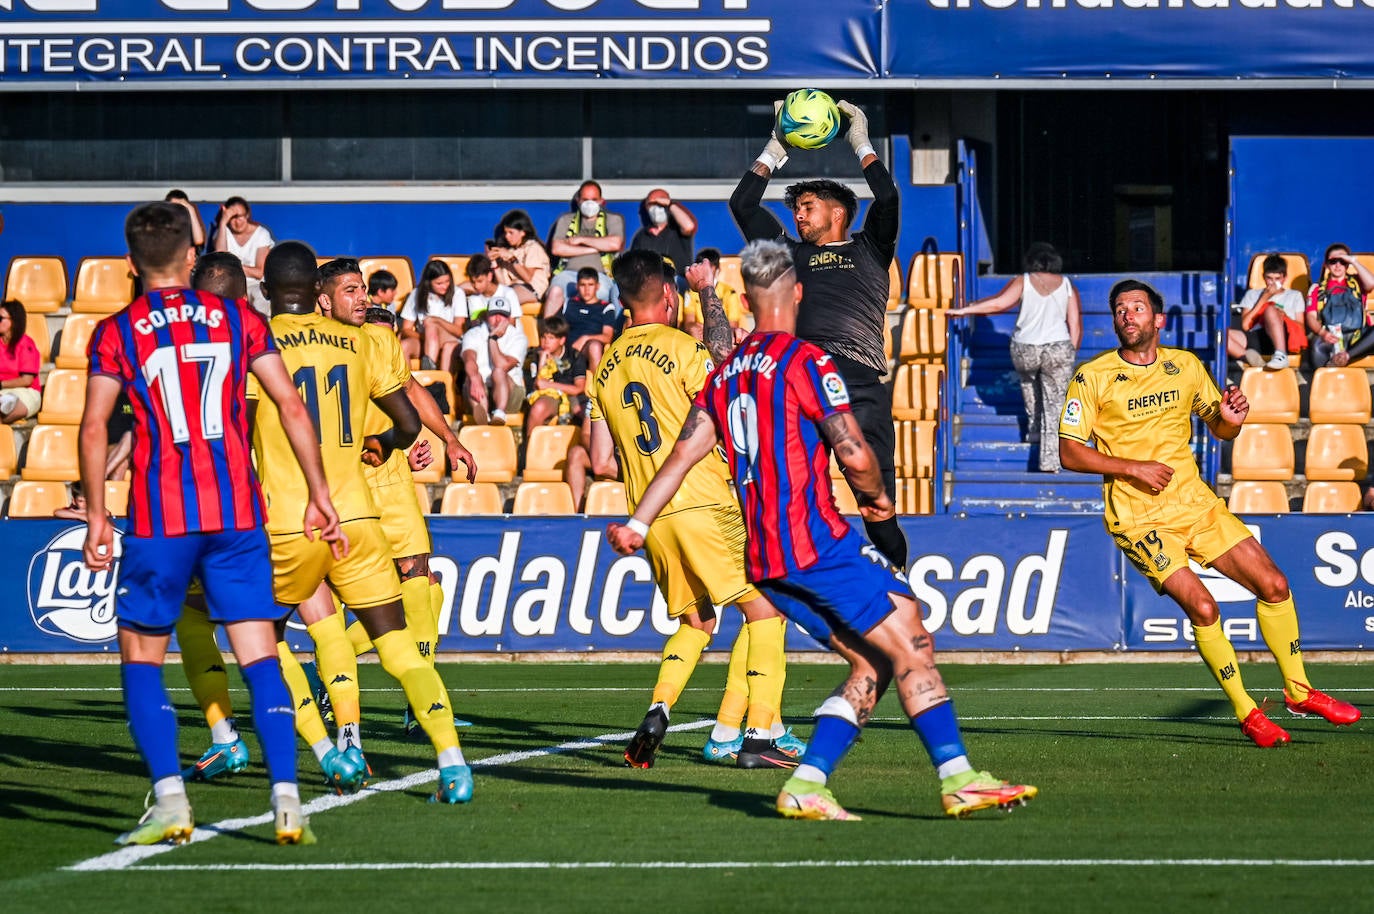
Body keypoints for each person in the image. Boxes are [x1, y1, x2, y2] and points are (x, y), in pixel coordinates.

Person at [607, 240, 1034, 817]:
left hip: (764, 555)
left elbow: (680, 455)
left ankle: (807, 782)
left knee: (874, 660)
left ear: (751, 300)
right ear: (798, 294)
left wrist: (636, 524)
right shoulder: (807, 362)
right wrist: (879, 502)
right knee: (911, 637)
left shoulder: (727, 373)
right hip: (814, 542)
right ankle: (958, 778)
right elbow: (853, 451)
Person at [79, 201, 343, 846]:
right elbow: (290, 405)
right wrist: (318, 492)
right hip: (234, 512)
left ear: (130, 262)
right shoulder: (238, 317)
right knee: (260, 653)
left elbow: (92, 428)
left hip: (160, 516)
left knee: (142, 655)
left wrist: (94, 515)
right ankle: (287, 798)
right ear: (191, 256)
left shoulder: (116, 331)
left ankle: (171, 798)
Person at [1059, 279, 1361, 747]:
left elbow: (1219, 427)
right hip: (1140, 517)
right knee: (1204, 607)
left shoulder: (1185, 366)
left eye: (1137, 308)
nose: (1128, 316)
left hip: (1196, 504)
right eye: (1120, 310)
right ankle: (1247, 712)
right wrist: (1131, 467)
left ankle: (1299, 691)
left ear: (1158, 320)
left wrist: (1233, 420)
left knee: (1275, 584)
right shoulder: (1092, 376)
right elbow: (1070, 452)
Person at [249, 241, 473, 804]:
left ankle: (333, 749)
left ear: (269, 290)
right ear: (316, 291)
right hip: (358, 518)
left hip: (291, 522)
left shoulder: (254, 342)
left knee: (264, 641)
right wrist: (380, 443)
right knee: (398, 649)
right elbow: (404, 422)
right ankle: (452, 763)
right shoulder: (362, 341)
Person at [592, 249, 805, 771]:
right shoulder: (683, 348)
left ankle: (659, 707)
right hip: (703, 499)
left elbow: (600, 460)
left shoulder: (604, 370)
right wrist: (710, 291)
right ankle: (758, 736)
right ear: (669, 295)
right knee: (767, 608)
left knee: (697, 620)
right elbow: (726, 363)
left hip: (649, 511)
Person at [730, 99, 907, 568]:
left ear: (839, 212)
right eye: (797, 211)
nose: (799, 218)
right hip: (800, 380)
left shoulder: (871, 246)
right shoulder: (787, 254)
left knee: (876, 505)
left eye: (808, 208)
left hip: (859, 383)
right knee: (789, 499)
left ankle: (898, 580)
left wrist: (860, 143)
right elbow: (743, 204)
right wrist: (776, 146)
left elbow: (887, 200)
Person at [945, 242, 1082, 472]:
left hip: (1026, 349)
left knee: (1029, 384)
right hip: (1058, 348)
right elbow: (1075, 325)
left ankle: (1034, 432)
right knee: (1054, 402)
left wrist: (963, 310)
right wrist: (1070, 354)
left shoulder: (1024, 280)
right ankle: (1050, 461)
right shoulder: (1067, 284)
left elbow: (1000, 303)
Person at [544, 180, 624, 318]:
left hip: (600, 277)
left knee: (601, 295)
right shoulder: (566, 220)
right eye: (585, 199)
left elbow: (614, 244)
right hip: (568, 275)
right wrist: (595, 248)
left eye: (594, 199)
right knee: (555, 292)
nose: (589, 203)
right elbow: (557, 248)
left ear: (601, 201)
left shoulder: (613, 219)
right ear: (578, 200)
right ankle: (548, 335)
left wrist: (581, 240)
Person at [1225, 253, 1306, 371]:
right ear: (1264, 277)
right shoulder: (1252, 294)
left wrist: (1283, 316)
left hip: (1282, 337)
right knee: (1222, 335)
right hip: (1256, 336)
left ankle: (1281, 354)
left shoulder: (1294, 296)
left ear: (1284, 278)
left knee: (1270, 310)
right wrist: (1263, 299)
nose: (1273, 283)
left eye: (1277, 279)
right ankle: (1254, 361)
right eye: (1269, 278)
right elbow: (1246, 325)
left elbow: (1301, 327)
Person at [459, 296, 528, 427]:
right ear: (486, 316)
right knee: (471, 376)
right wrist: (474, 377)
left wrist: (493, 339)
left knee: (498, 372)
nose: (498, 319)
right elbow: (469, 358)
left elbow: (502, 365)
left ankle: (499, 413)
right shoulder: (473, 334)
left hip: (510, 390)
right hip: (481, 387)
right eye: (494, 315)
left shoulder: (518, 337)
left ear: (508, 318)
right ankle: (482, 414)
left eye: (502, 315)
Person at [1307, 244, 1374, 368]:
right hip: (1331, 338)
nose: (1338, 265)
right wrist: (1323, 333)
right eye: (1333, 261)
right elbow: (1311, 317)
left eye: (1342, 261)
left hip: (1357, 338)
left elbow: (1371, 283)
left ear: (1347, 264)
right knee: (1316, 345)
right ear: (1326, 264)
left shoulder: (1359, 282)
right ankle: (1325, 378)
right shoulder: (1317, 288)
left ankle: (1345, 357)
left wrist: (1354, 261)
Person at [399, 259, 467, 372]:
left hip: (450, 338)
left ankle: (430, 375)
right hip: (425, 339)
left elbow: (459, 331)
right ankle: (408, 386)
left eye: (447, 281)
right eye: (439, 283)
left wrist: (437, 321)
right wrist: (429, 338)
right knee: (403, 346)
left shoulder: (458, 293)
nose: (445, 286)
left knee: (431, 324)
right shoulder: (416, 294)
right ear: (429, 282)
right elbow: (406, 329)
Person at [211, 196, 274, 314]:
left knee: (261, 299)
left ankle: (266, 330)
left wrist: (231, 267)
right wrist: (223, 221)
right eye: (232, 217)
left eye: (241, 216)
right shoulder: (223, 233)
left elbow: (259, 272)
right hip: (229, 283)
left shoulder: (261, 234)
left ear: (247, 215)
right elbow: (221, 256)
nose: (238, 221)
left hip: (254, 284)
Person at [525, 315, 588, 432]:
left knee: (590, 414)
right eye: (543, 337)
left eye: (551, 338)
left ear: (562, 340)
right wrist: (542, 362)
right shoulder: (535, 355)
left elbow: (578, 388)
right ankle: (530, 448)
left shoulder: (574, 356)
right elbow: (537, 385)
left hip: (572, 396)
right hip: (549, 396)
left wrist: (550, 385)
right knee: (538, 408)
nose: (546, 342)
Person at [629, 188, 697, 286]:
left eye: (660, 204)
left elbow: (689, 226)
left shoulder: (677, 229)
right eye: (651, 204)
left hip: (678, 280)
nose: (656, 208)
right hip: (650, 282)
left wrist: (670, 204)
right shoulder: (641, 236)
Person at [487, 209, 551, 307]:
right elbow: (503, 284)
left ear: (523, 232)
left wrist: (512, 259)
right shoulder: (509, 251)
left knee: (506, 300)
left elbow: (527, 277)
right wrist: (494, 263)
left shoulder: (533, 248)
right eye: (505, 233)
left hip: (531, 289)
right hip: (511, 288)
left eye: (511, 233)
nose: (507, 236)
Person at [680, 248, 746, 342]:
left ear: (717, 268)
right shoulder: (690, 292)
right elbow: (688, 323)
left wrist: (710, 332)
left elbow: (733, 326)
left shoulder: (729, 292)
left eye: (708, 266)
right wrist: (693, 328)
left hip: (722, 341)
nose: (704, 270)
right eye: (701, 265)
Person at [0, 299, 43, 424]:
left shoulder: (25, 343)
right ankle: (5, 401)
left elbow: (26, 380)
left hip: (26, 391)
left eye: (0, 318)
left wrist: (1, 384)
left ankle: (7, 401)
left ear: (13, 321)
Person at [464, 254, 522, 322]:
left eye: (480, 281)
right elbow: (475, 324)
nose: (476, 286)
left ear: (489, 276)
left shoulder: (508, 293)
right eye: (473, 282)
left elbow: (512, 323)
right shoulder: (473, 298)